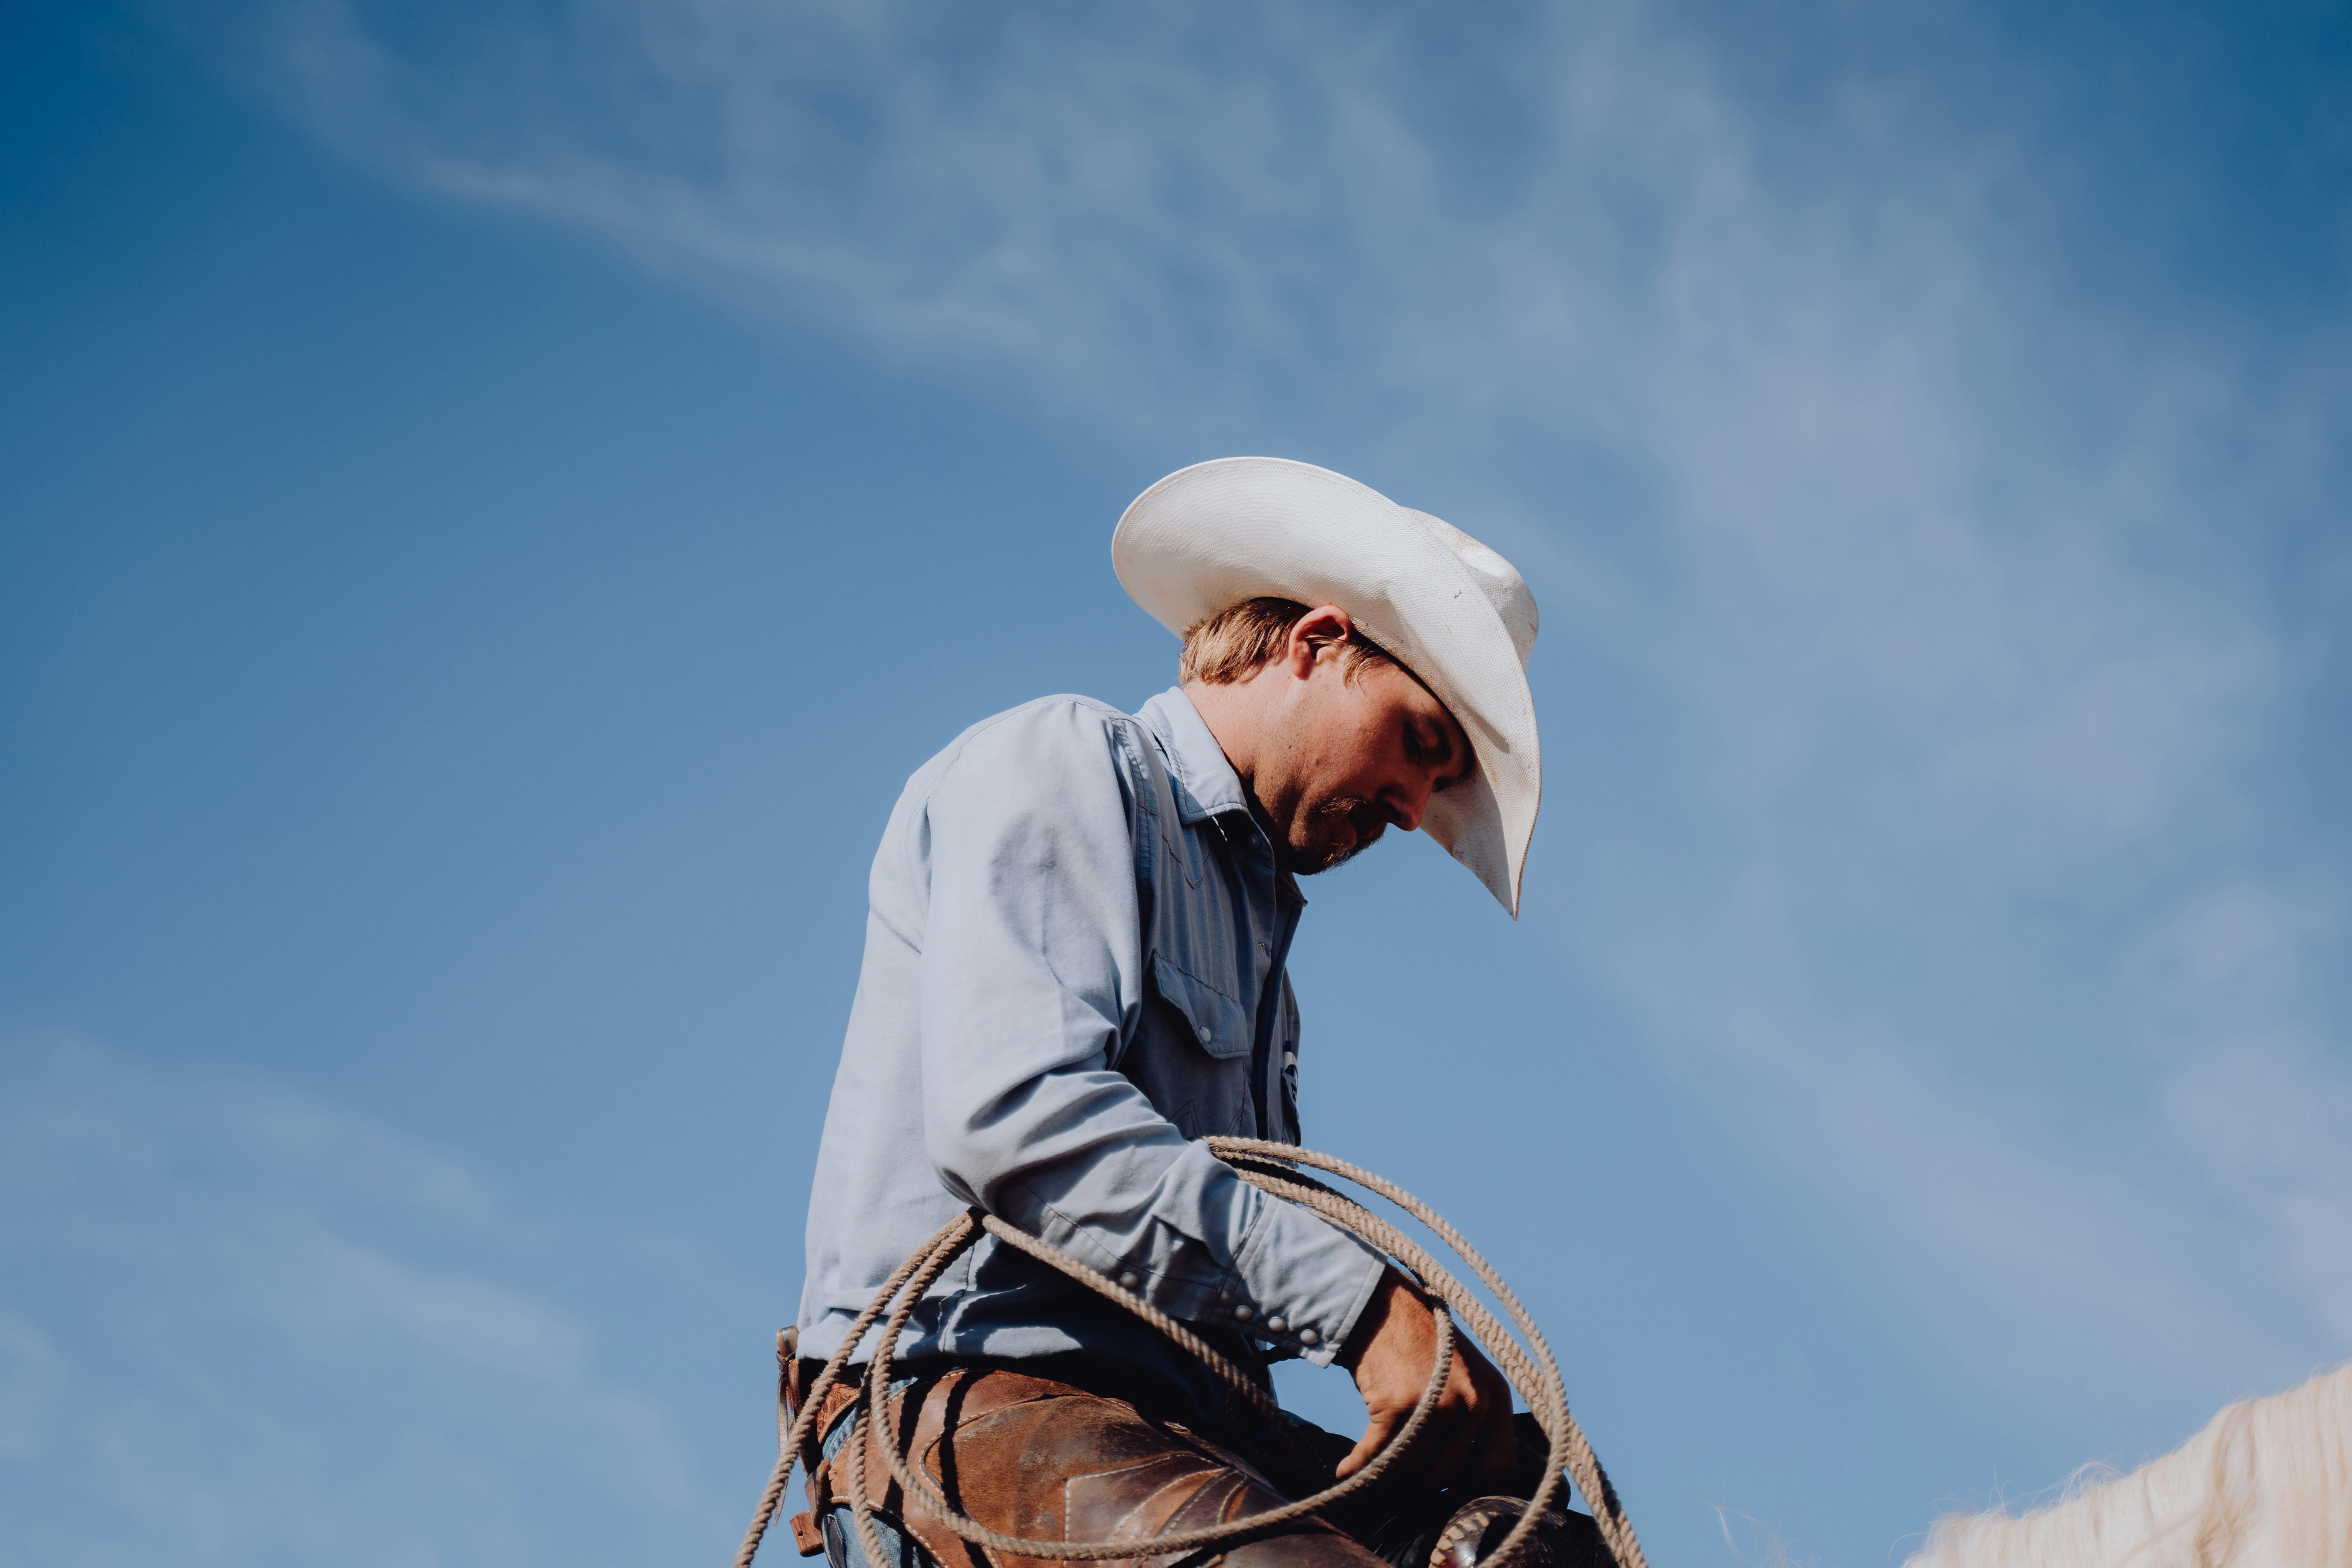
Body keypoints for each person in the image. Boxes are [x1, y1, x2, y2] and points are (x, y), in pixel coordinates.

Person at [786, 459, 1599, 1568]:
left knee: (1544, 1551)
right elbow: (1015, 1119)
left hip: (1179, 1430)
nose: (1415, 811)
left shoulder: (1264, 959)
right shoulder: (1068, 758)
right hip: (965, 1397)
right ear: (1318, 644)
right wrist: (1368, 1310)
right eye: (1419, 744)